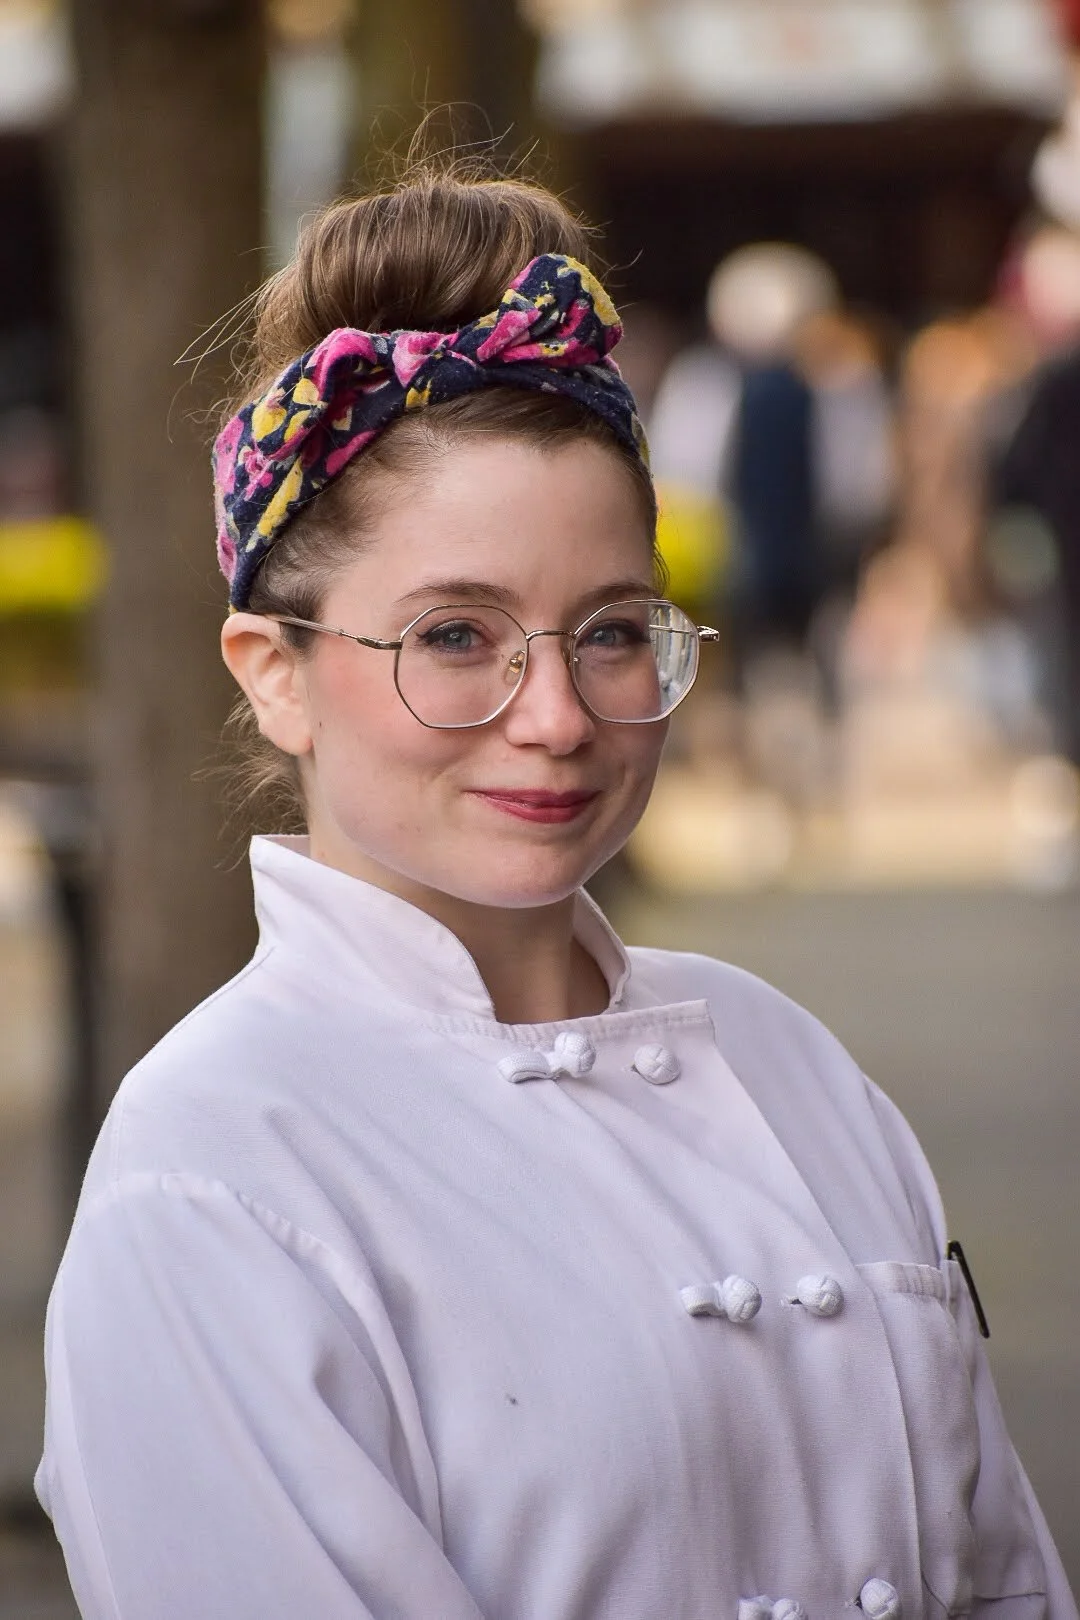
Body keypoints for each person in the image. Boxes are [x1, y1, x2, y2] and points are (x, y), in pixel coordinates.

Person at [36, 160, 1075, 1620]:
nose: (555, 717)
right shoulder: (213, 1173)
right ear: (277, 674)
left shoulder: (788, 1058)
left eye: (611, 631)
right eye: (456, 636)